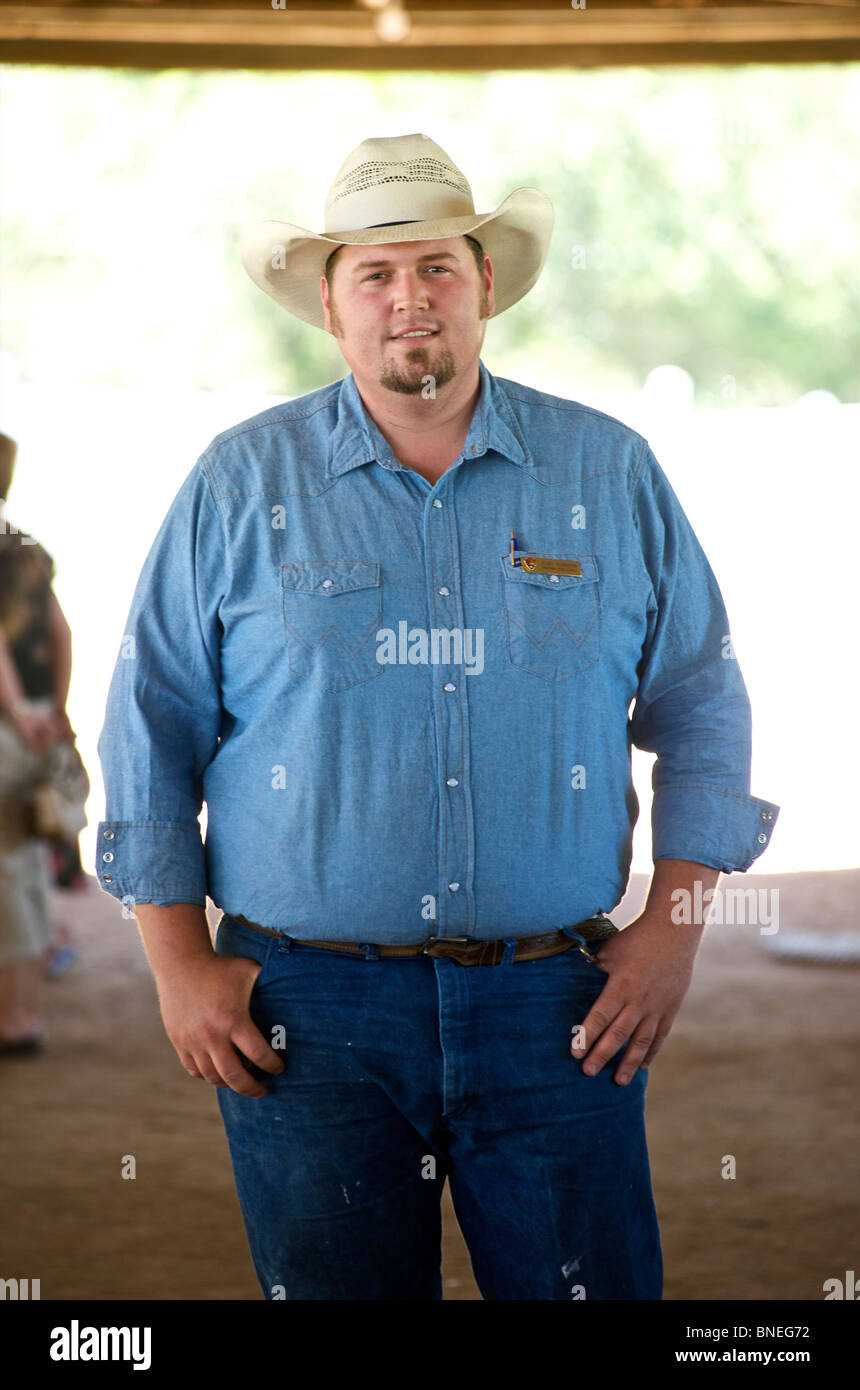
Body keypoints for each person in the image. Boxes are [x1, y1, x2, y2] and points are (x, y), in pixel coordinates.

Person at [95, 133, 780, 1300]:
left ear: (486, 288)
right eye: (374, 273)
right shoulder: (236, 482)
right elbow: (149, 718)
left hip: (557, 999)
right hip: (305, 1006)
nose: (408, 299)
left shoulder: (606, 471)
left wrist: (670, 931)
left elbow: (700, 699)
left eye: (437, 269)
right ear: (330, 303)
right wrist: (174, 961)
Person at [0, 431, 75, 1054]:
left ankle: (17, 1018)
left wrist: (18, 711)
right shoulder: (26, 547)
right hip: (33, 722)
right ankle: (25, 997)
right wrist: (53, 708)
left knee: (8, 868)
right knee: (22, 855)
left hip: (7, 727)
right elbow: (60, 630)